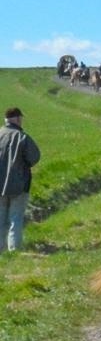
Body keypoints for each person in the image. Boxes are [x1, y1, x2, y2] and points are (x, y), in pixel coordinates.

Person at [0, 107, 41, 252]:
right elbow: (34, 157)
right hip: (18, 186)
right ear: (17, 119)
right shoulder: (22, 137)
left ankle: (1, 251)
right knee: (15, 219)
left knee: (0, 220)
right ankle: (14, 251)